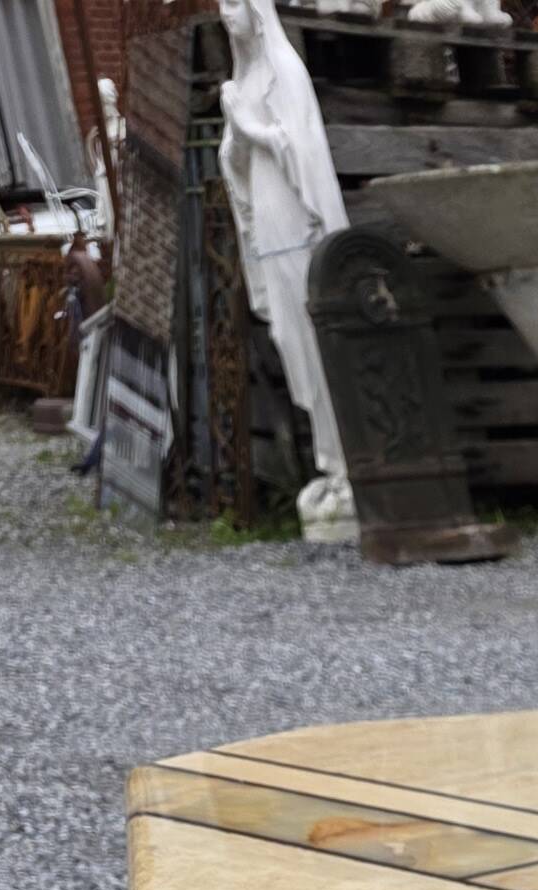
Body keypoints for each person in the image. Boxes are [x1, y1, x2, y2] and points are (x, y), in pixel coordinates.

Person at [216, 0, 358, 542]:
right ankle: (331, 465)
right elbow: (237, 163)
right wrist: (236, 136)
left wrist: (246, 125)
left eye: (235, 3)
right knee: (289, 340)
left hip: (299, 223)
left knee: (316, 342)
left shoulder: (284, 72)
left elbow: (296, 150)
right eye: (221, 5)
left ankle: (348, 468)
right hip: (270, 228)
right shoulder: (244, 79)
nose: (226, 14)